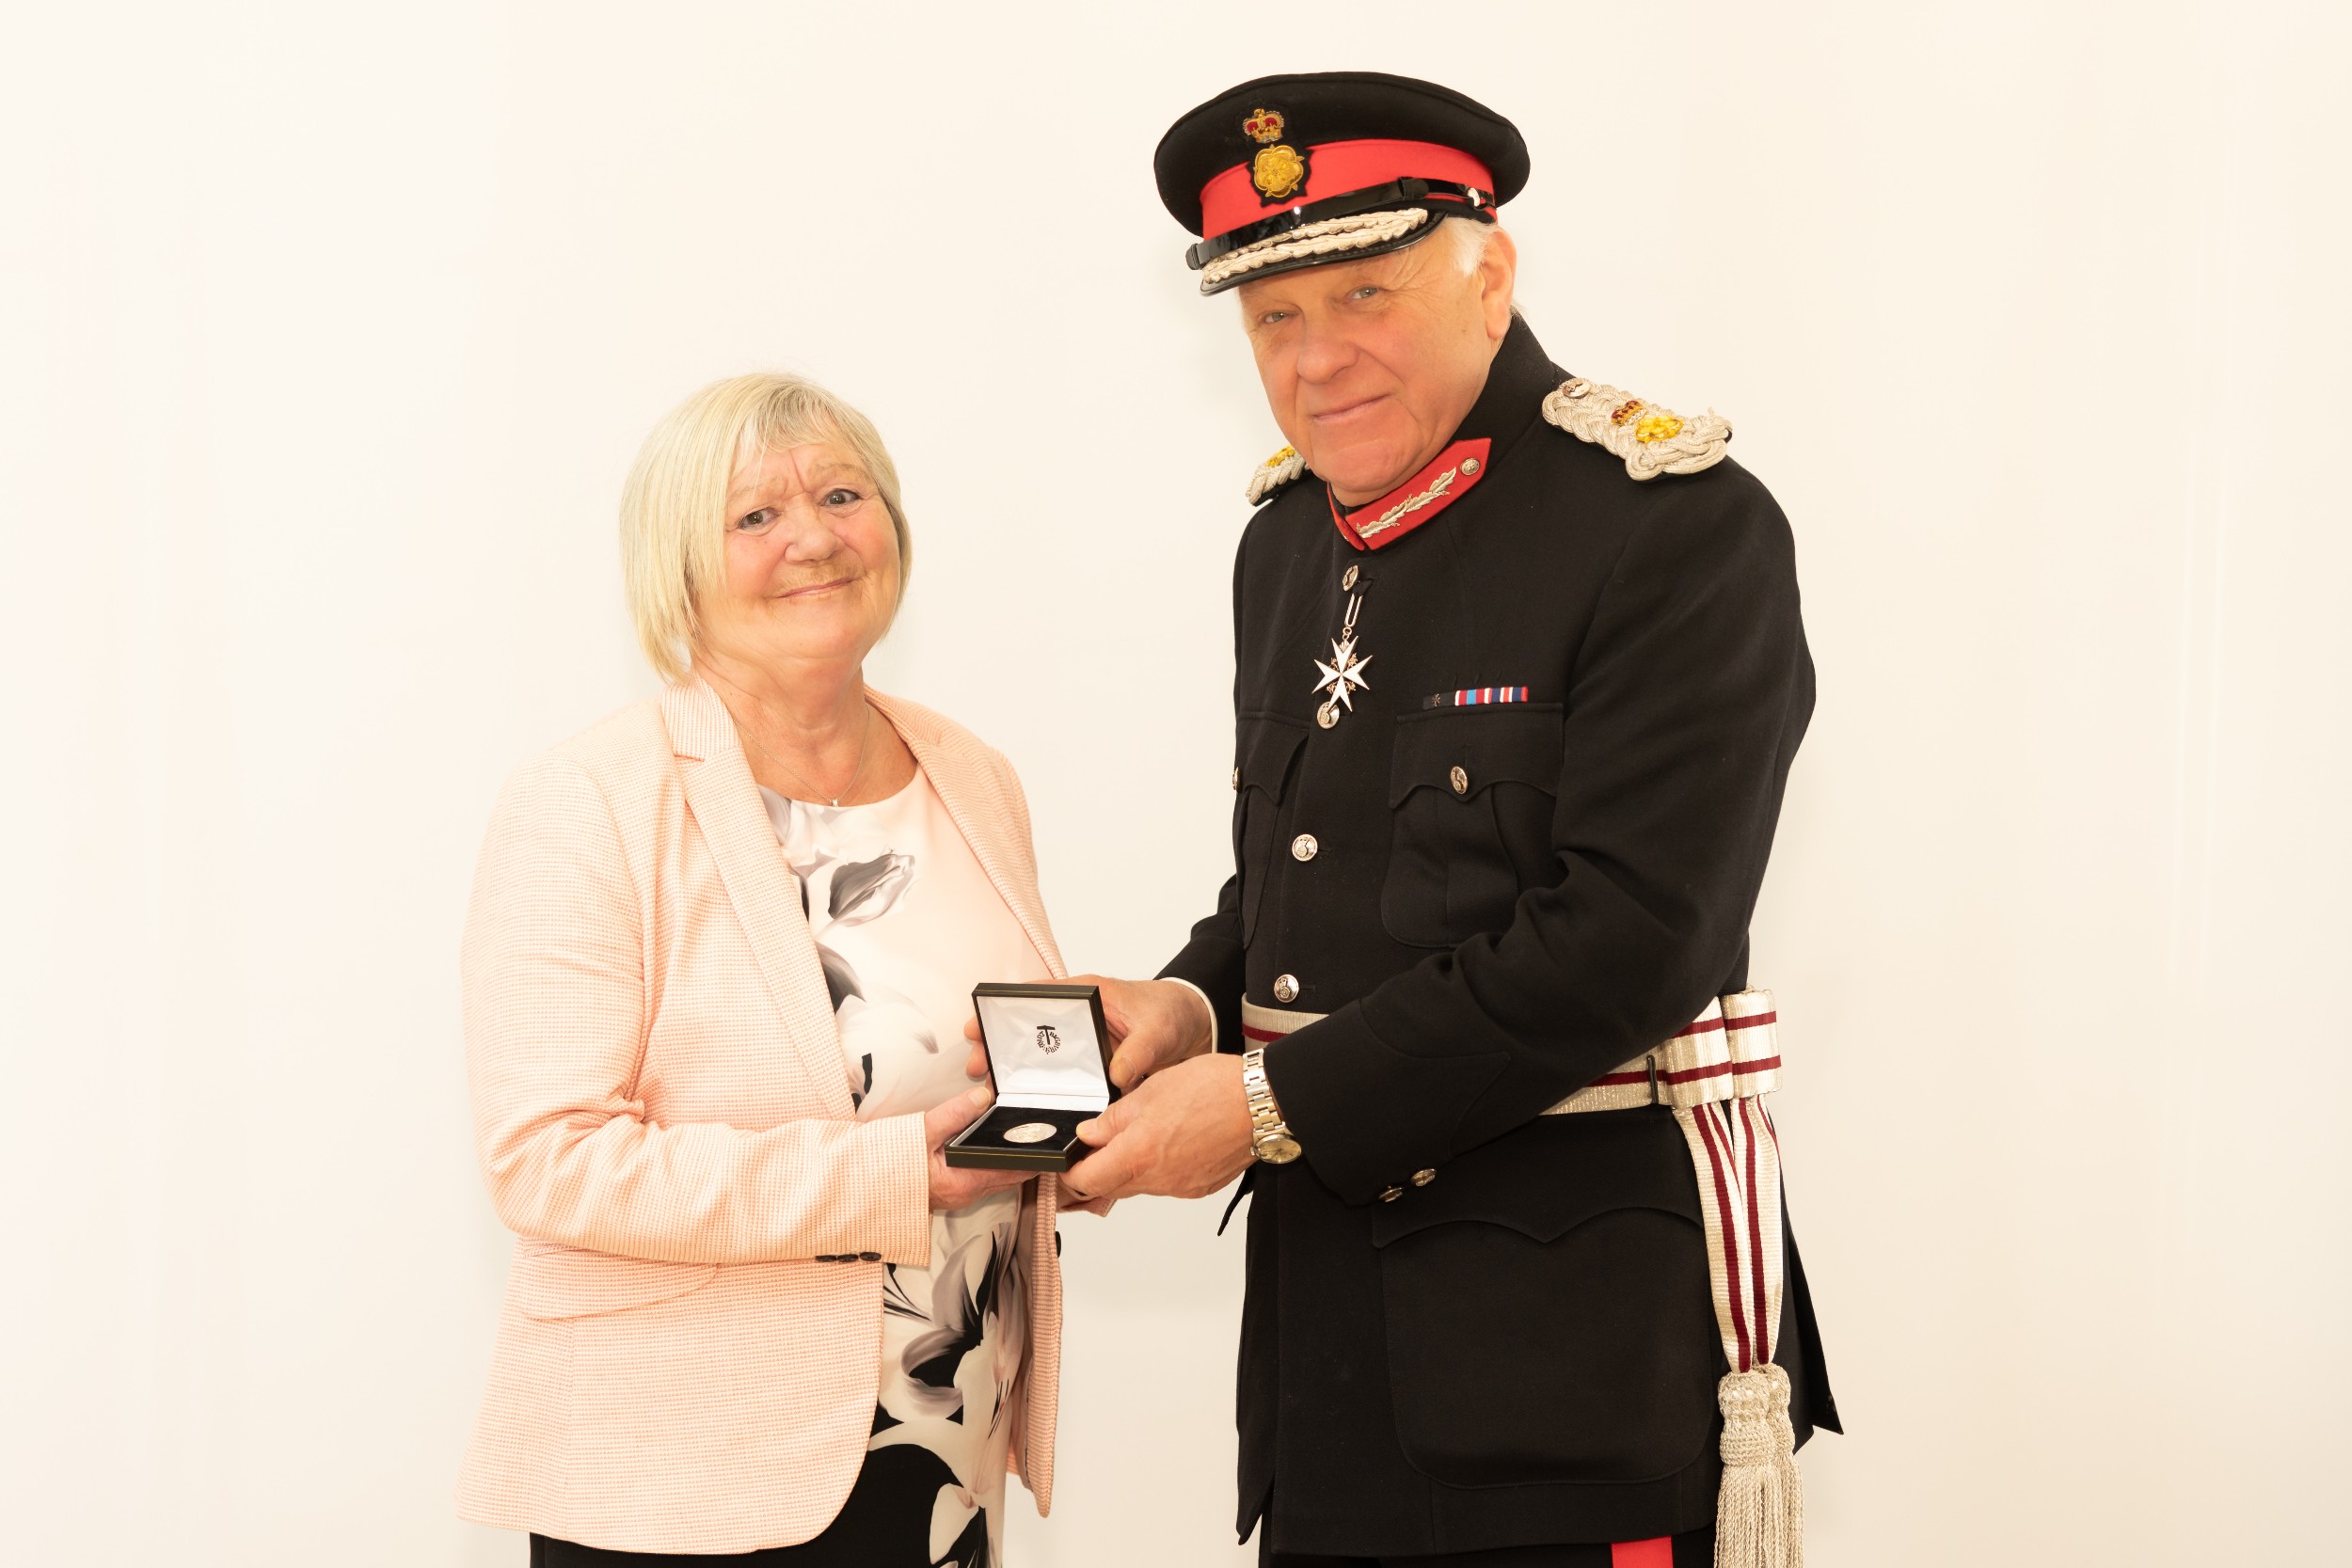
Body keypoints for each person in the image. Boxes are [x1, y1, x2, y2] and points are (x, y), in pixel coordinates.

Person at [1058, 72, 1840, 1568]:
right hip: (1330, 1355)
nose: (1317, 355)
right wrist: (1180, 1002)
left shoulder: (1674, 522)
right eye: (1274, 315)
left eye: (1365, 290)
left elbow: (1628, 938)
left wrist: (1269, 1105)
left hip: (1568, 1376)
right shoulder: (1288, 538)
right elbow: (1308, 886)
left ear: (1490, 274)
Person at [455, 372, 1074, 1566]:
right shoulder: (587, 800)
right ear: (675, 570)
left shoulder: (971, 772)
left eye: (843, 494)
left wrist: (1069, 1127)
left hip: (945, 1438)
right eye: (754, 515)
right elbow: (550, 1159)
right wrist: (892, 1174)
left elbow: (1000, 1046)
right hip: (687, 1469)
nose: (813, 536)